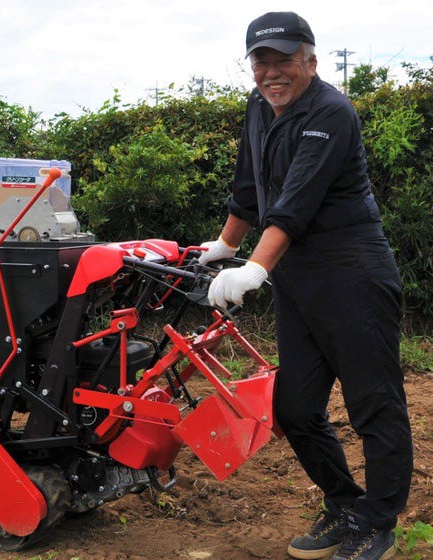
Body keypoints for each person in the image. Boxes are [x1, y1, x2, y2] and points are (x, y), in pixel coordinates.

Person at [197, 12, 412, 560]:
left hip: (351, 271)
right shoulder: (257, 108)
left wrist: (255, 269)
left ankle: (378, 522)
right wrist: (225, 246)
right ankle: (344, 506)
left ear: (310, 62)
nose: (272, 72)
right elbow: (251, 188)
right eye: (261, 61)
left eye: (284, 60)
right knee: (294, 407)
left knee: (373, 403)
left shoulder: (331, 113)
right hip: (296, 275)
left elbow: (294, 204)